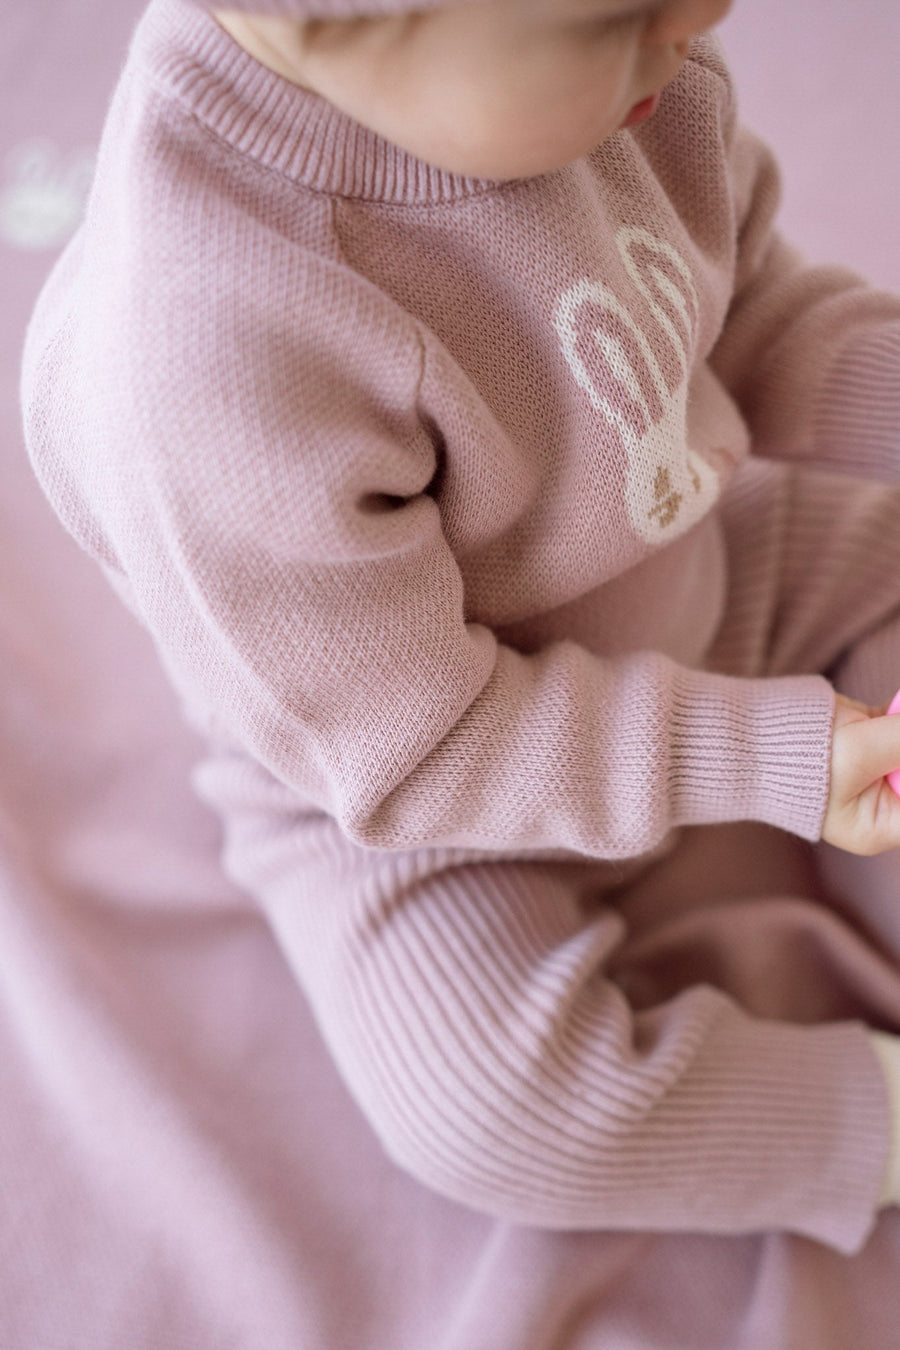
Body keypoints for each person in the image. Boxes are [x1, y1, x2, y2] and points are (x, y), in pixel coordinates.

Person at [19, 0, 900, 1338]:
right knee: (486, 1104)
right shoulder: (201, 357)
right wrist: (773, 755)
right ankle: (867, 1118)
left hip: (694, 578)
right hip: (417, 802)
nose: (708, 14)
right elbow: (424, 748)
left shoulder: (631, 82)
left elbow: (756, 314)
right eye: (617, 10)